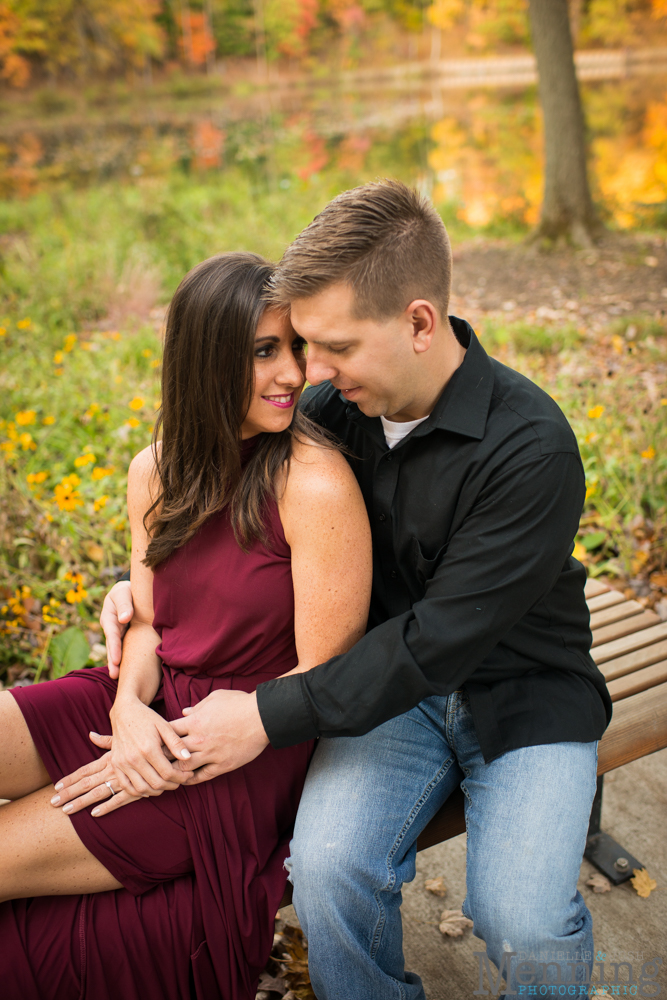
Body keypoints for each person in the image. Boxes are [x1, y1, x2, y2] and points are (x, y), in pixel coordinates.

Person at [99, 181, 612, 1000]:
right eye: (305, 345)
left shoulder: (530, 448)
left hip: (523, 697)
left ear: (417, 322)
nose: (311, 371)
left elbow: (437, 640)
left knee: (518, 915)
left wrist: (265, 715)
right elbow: (216, 509)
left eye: (334, 346)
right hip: (382, 700)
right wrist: (134, 591)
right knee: (330, 871)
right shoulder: (337, 411)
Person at [0, 252, 372, 1000]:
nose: (293, 375)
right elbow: (147, 622)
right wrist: (129, 708)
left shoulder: (315, 482)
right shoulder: (157, 468)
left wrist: (171, 740)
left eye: (294, 348)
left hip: (232, 750)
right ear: (206, 360)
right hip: (144, 700)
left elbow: (325, 681)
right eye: (264, 351)